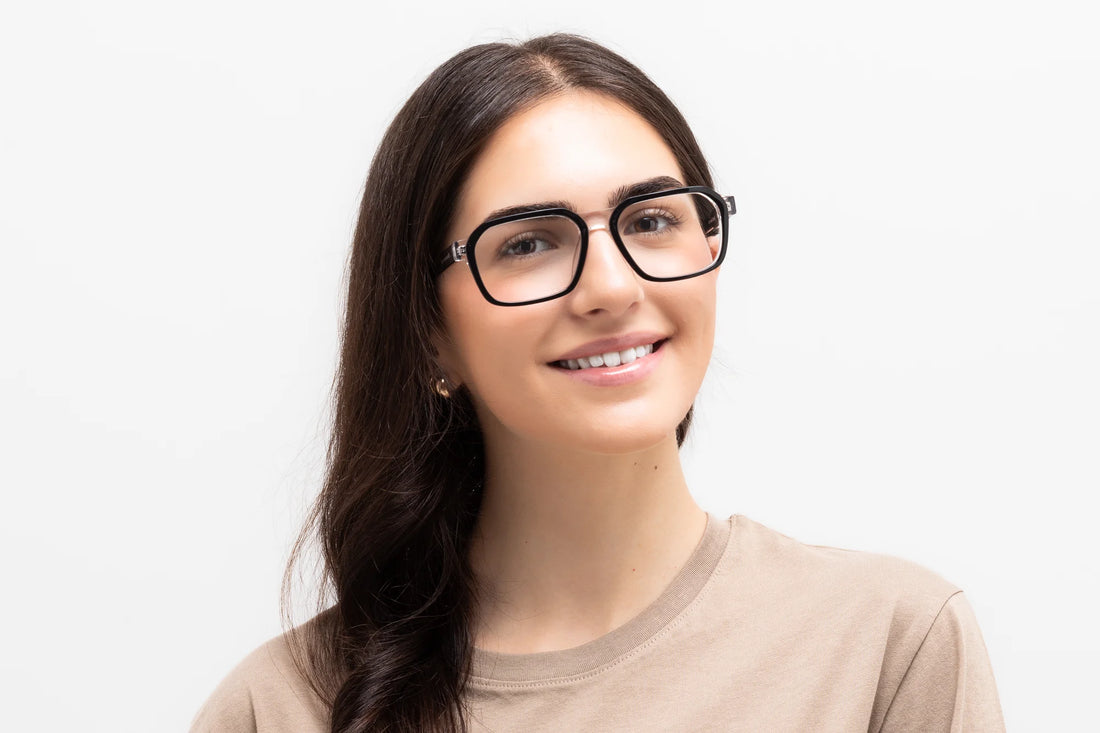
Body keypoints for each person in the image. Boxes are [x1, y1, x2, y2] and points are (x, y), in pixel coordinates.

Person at [191, 34, 1004, 732]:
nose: (612, 288)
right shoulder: (282, 707)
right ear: (429, 332)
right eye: (528, 243)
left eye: (652, 220)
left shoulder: (889, 643)